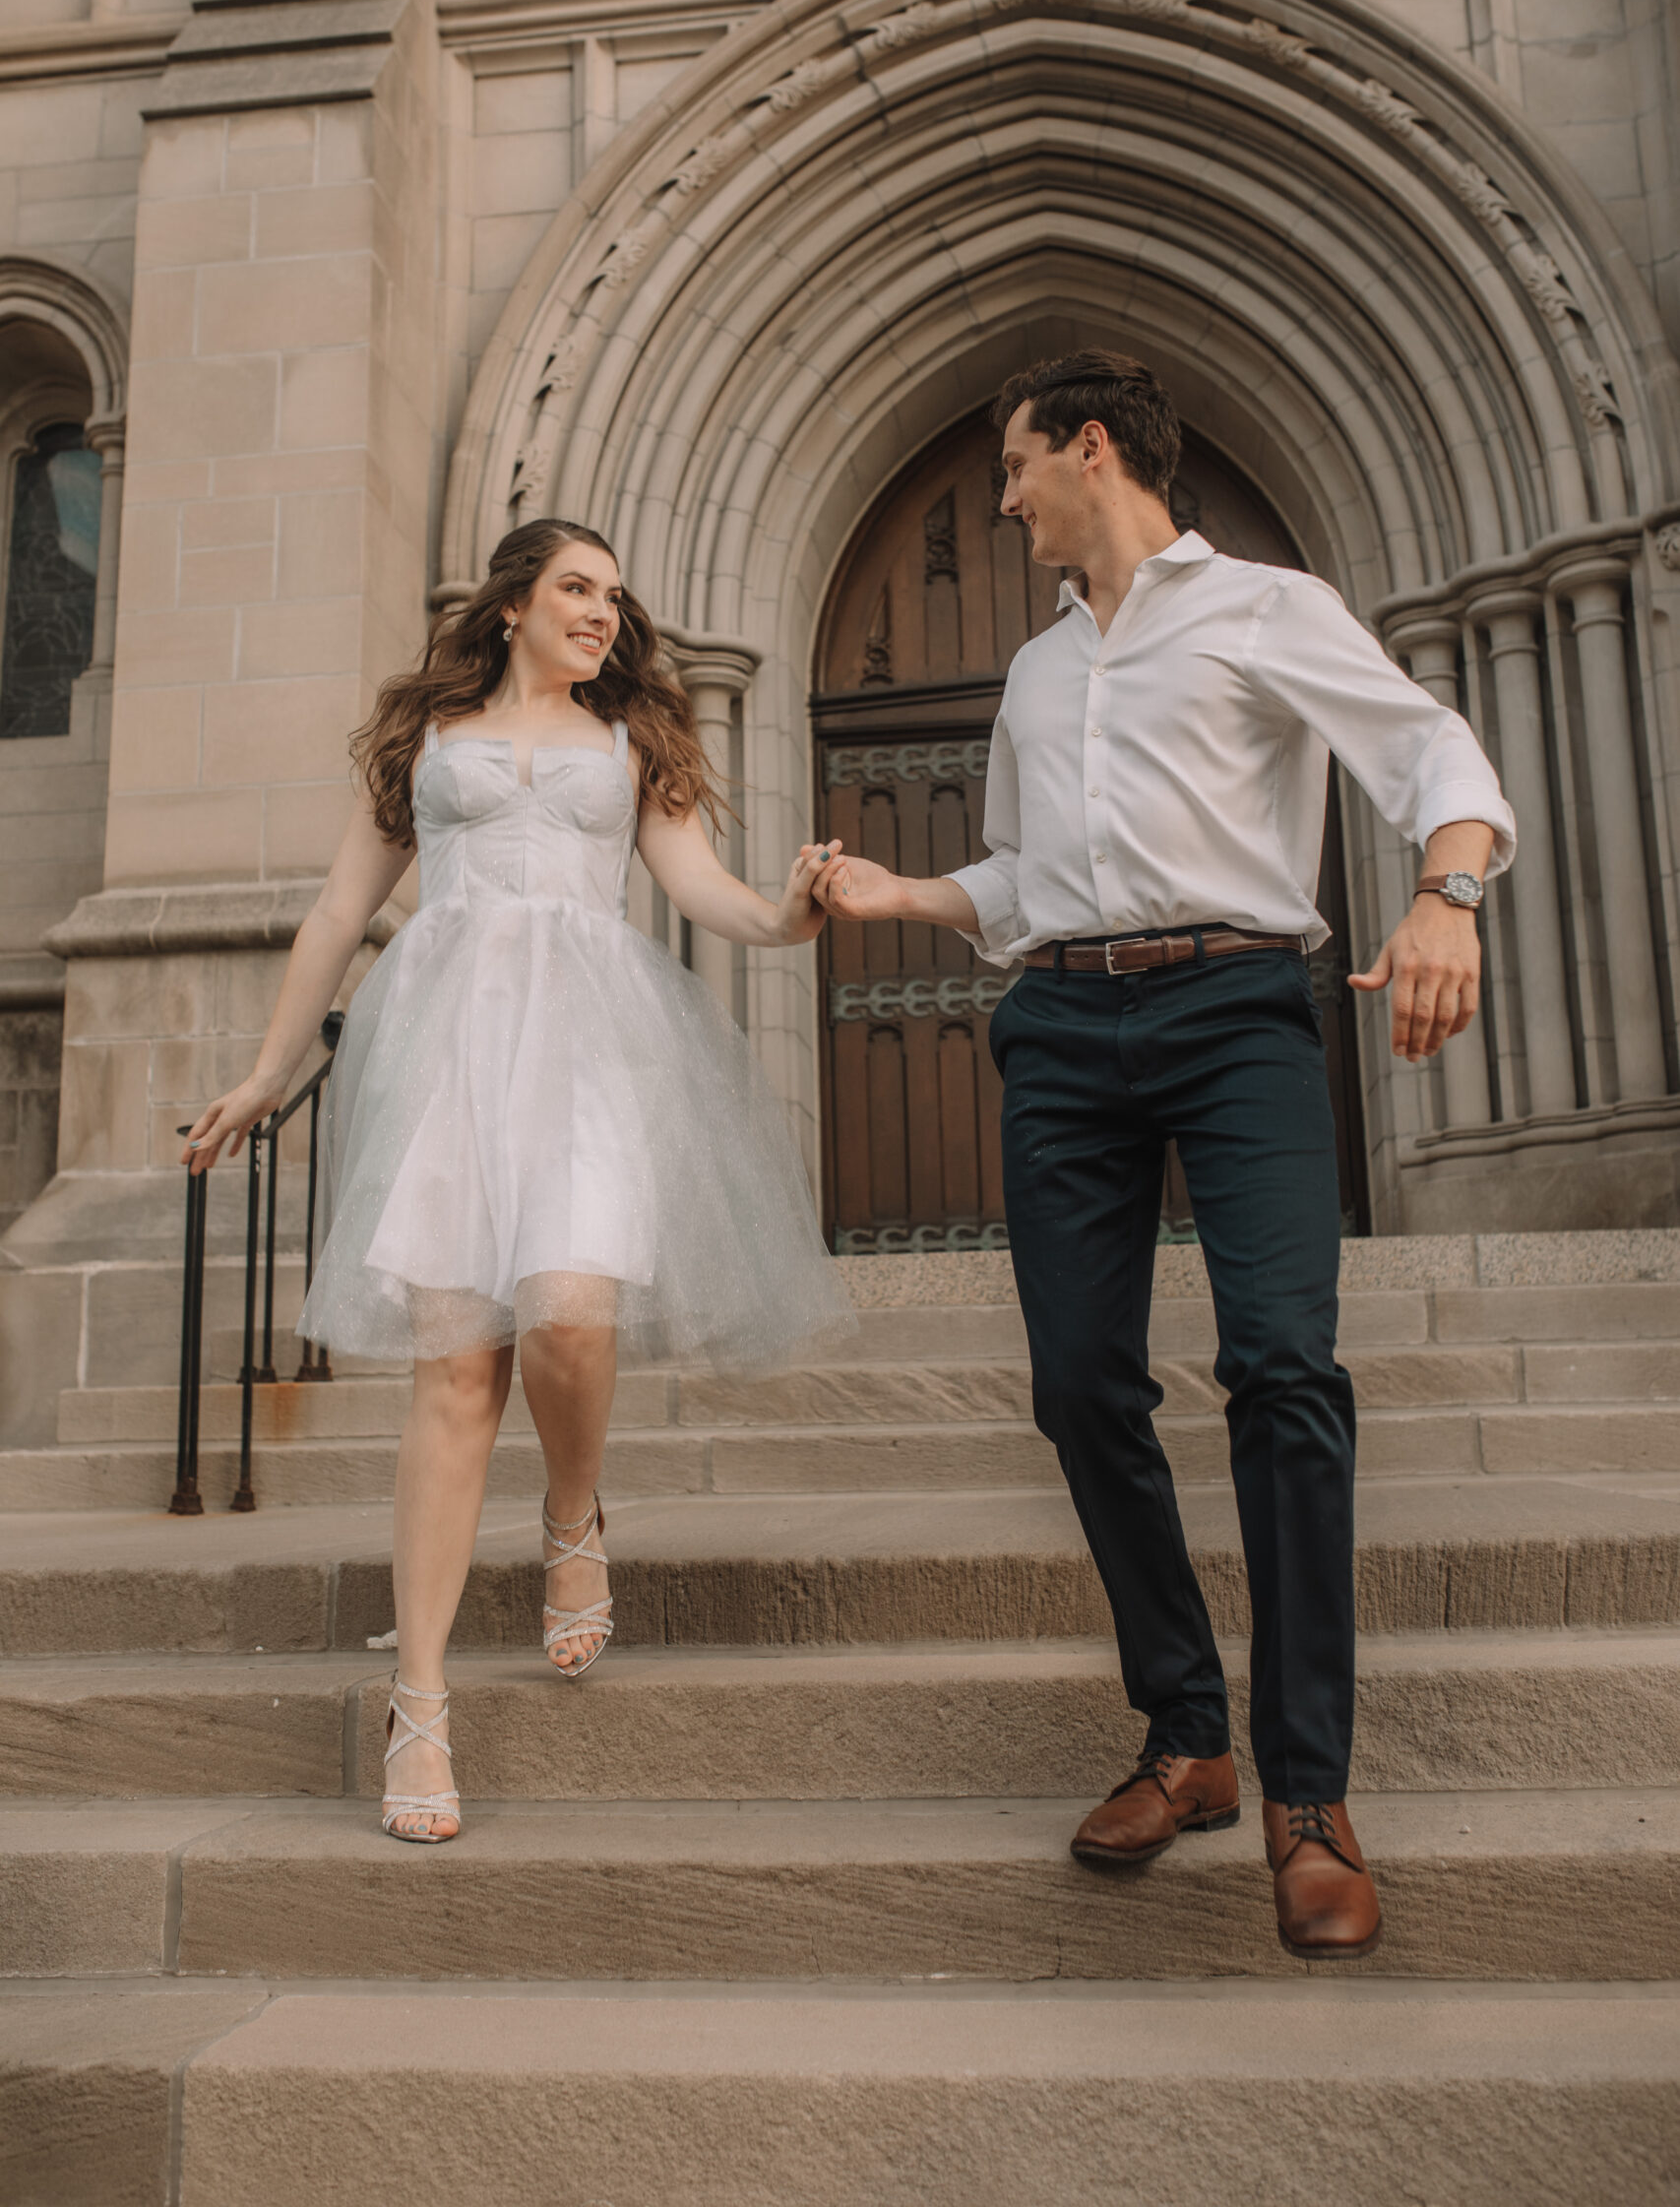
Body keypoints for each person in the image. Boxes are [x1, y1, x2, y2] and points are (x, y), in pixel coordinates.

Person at [815, 350, 1514, 1958]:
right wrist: (898, 899)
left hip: (1237, 1010)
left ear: (1095, 448)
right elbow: (1017, 875)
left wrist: (1443, 899)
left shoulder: (1267, 610)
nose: (1000, 498)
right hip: (1062, 1034)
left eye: (1014, 465)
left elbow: (1437, 764)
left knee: (1281, 1367)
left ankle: (1308, 1794)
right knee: (1077, 1385)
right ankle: (1188, 1732)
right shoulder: (1041, 671)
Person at [184, 519, 853, 1844]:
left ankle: (569, 1507)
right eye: (576, 589)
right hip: (449, 1059)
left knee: (567, 1317)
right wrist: (266, 1075)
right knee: (453, 1372)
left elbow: (699, 887)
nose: (603, 612)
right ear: (513, 608)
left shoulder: (634, 742)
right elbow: (339, 912)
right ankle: (419, 1706)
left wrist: (785, 919)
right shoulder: (426, 742)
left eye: (613, 595)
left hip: (590, 1055)